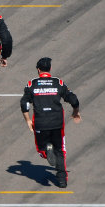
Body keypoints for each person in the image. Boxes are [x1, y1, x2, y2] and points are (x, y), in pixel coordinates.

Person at [20, 57, 81, 188]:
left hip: (41, 121)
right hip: (57, 122)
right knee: (60, 151)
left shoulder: (31, 84)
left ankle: (46, 151)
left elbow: (24, 103)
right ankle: (62, 179)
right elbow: (74, 99)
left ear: (38, 70)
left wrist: (28, 120)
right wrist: (76, 112)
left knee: (40, 149)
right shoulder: (58, 82)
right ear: (50, 69)